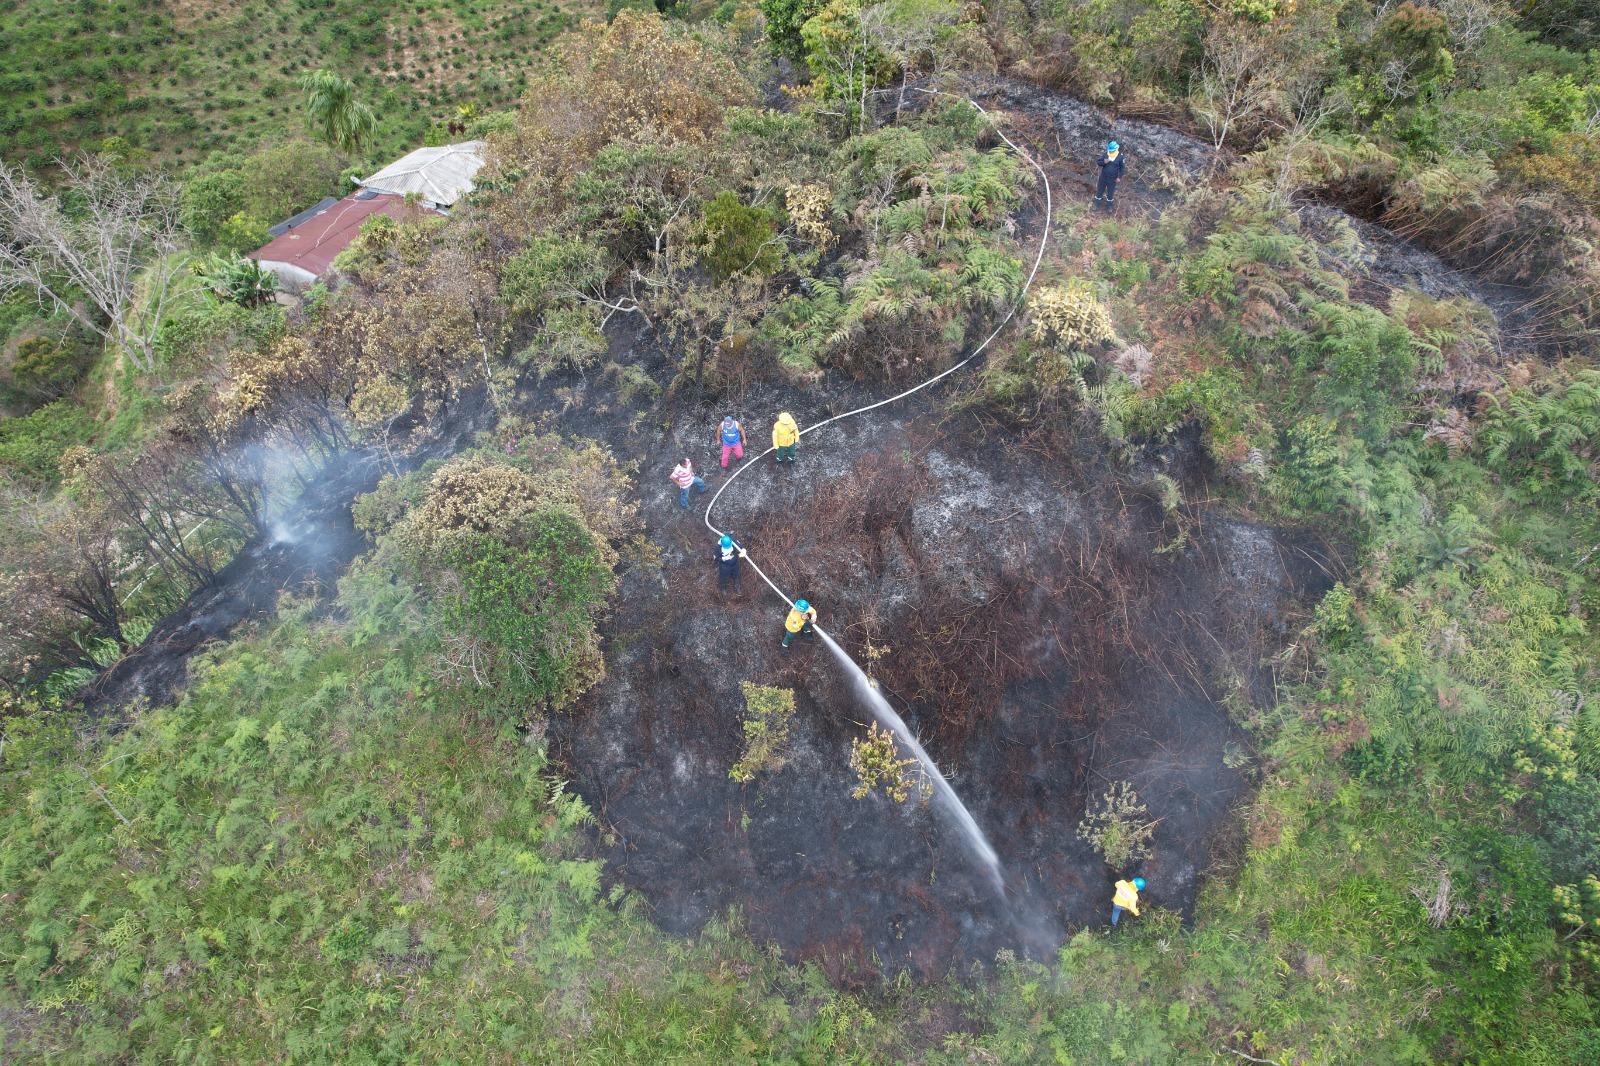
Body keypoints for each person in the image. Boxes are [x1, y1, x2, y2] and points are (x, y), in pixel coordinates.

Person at [1094, 141, 1125, 210]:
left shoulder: (1120, 157)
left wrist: (1119, 177)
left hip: (1112, 178)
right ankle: (1096, 203)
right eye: (1110, 151)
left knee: (1110, 192)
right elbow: (1099, 162)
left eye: (1112, 151)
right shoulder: (1105, 155)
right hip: (1103, 177)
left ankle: (1109, 206)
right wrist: (1104, 162)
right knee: (1100, 190)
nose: (1110, 152)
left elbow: (1122, 168)